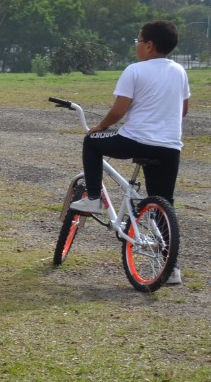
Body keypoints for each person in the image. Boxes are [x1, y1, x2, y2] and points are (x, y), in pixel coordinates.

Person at [68, 20, 190, 283]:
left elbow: (120, 109)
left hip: (135, 140)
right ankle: (171, 269)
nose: (136, 45)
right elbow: (183, 110)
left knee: (92, 143)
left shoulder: (135, 70)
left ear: (149, 45)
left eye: (138, 40)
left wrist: (100, 126)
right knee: (163, 202)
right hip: (170, 146)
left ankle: (93, 198)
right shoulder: (179, 71)